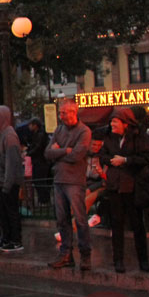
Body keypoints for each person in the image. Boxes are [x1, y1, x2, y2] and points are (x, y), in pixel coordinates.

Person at [99, 107, 149, 273]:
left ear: (125, 123)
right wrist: (110, 160)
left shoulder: (138, 136)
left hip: (133, 186)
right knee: (117, 224)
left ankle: (143, 261)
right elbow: (103, 155)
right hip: (115, 186)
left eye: (115, 122)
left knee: (138, 225)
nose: (112, 124)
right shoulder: (109, 136)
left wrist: (126, 160)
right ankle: (118, 261)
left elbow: (145, 158)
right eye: (112, 121)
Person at [45, 99, 92, 271]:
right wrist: (65, 150)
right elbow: (47, 153)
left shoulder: (84, 131)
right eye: (60, 113)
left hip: (74, 180)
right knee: (62, 219)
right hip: (59, 179)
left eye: (63, 112)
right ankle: (66, 254)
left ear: (73, 112)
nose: (61, 115)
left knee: (80, 219)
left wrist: (59, 152)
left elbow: (77, 155)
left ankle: (85, 254)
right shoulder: (59, 129)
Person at [0, 105, 24, 252]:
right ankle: (7, 238)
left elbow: (12, 162)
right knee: (2, 212)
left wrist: (7, 183)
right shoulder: (1, 135)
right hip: (0, 181)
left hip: (8, 182)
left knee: (11, 212)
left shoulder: (9, 136)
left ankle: (15, 240)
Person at [26, 118, 51, 207]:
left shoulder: (40, 135)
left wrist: (28, 153)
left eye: (30, 125)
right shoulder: (38, 134)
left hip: (41, 160)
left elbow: (38, 147)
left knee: (40, 181)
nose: (29, 127)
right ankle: (43, 199)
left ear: (35, 125)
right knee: (39, 181)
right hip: (40, 160)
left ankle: (44, 200)